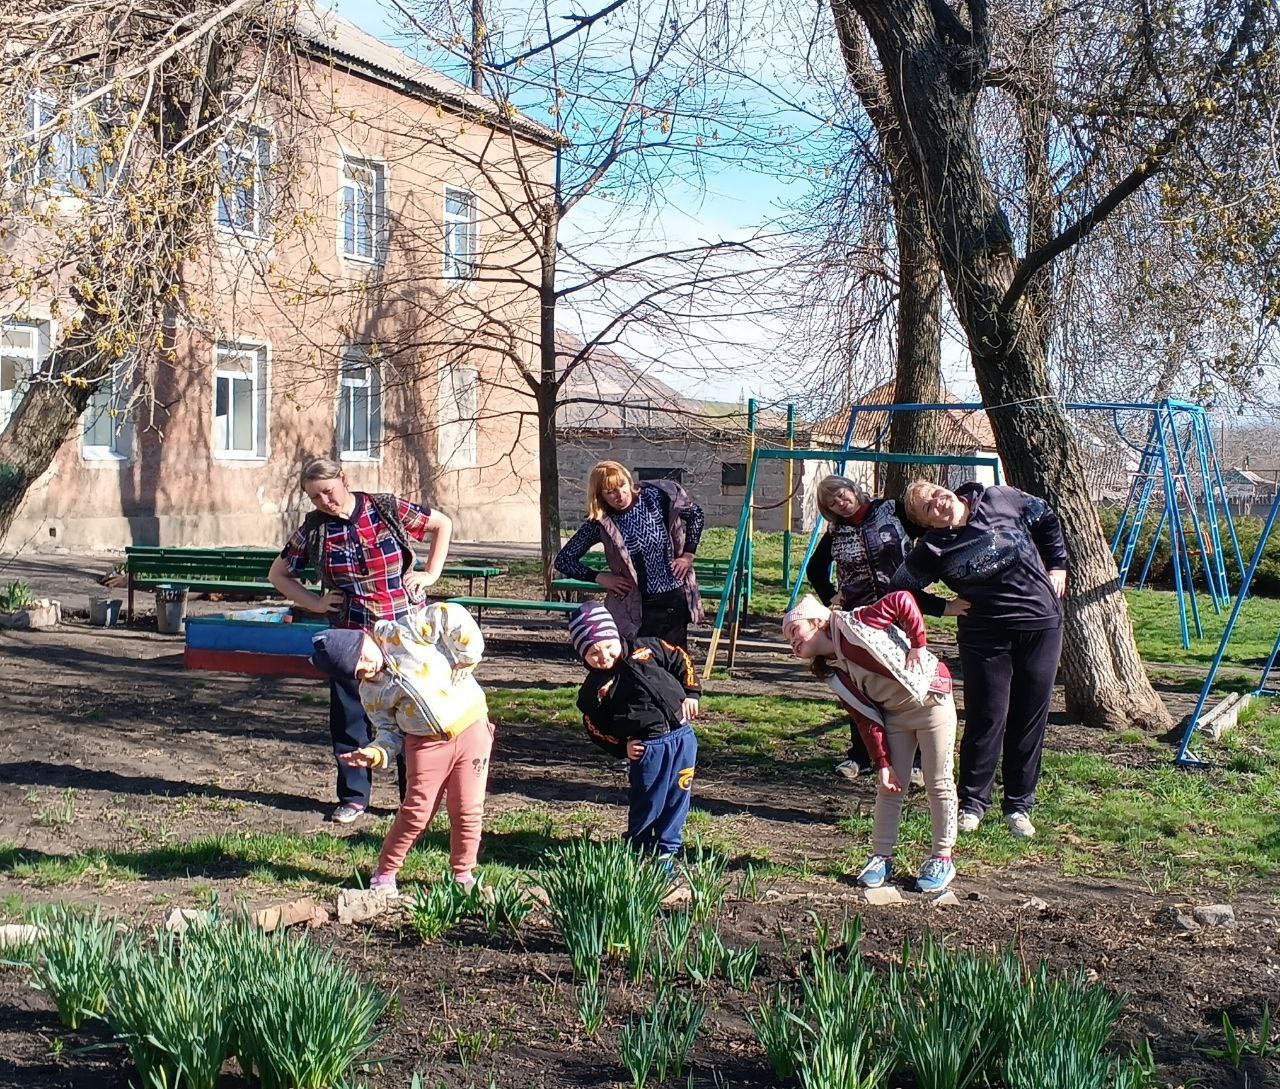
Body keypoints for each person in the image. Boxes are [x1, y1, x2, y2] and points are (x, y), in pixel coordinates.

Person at [269, 457, 453, 824]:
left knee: (413, 713)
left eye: (328, 491)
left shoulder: (384, 508)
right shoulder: (314, 529)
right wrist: (317, 603)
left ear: (343, 479)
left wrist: (430, 573)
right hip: (352, 633)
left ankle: (412, 800)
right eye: (315, 497)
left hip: (404, 630)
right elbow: (279, 574)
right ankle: (354, 798)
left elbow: (440, 524)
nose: (324, 501)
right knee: (350, 716)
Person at [893, 480, 1068, 840]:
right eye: (927, 507)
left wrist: (1058, 565)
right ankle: (972, 804)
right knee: (986, 717)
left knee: (1029, 717)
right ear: (927, 523)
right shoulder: (932, 549)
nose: (938, 501)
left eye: (935, 492)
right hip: (985, 637)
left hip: (1040, 623)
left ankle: (1018, 806)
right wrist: (943, 607)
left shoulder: (999, 498)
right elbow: (899, 587)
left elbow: (1046, 516)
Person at [310, 601, 492, 898]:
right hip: (425, 745)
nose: (368, 668)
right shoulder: (371, 690)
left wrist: (468, 655)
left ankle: (463, 874)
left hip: (472, 728)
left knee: (468, 808)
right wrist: (377, 752)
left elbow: (448, 614)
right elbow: (389, 732)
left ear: (364, 639)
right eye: (358, 672)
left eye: (364, 658)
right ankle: (384, 875)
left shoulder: (404, 632)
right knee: (416, 811)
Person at [783, 592, 959, 893]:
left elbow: (902, 599)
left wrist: (918, 644)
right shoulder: (831, 671)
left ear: (816, 621)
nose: (792, 642)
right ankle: (881, 857)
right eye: (788, 640)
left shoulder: (857, 623)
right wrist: (881, 762)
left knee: (938, 781)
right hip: (896, 718)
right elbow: (864, 717)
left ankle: (942, 857)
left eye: (793, 631)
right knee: (890, 785)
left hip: (932, 702)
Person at [804, 475, 961, 781]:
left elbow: (931, 533)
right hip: (858, 620)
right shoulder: (836, 533)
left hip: (900, 614)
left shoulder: (893, 511)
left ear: (853, 489)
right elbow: (815, 567)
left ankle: (916, 761)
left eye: (841, 493)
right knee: (862, 685)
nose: (839, 502)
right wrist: (830, 594)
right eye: (831, 502)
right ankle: (861, 756)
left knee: (909, 683)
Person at [570, 601, 701, 868]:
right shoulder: (594, 690)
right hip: (648, 747)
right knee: (648, 799)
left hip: (682, 737)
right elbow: (594, 725)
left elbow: (681, 658)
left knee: (679, 794)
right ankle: (639, 848)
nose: (604, 657)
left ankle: (668, 848)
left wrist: (691, 692)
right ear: (582, 656)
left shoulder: (648, 648)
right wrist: (622, 746)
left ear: (616, 635)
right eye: (593, 653)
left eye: (608, 646)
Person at [555, 461, 705, 649]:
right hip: (636, 606)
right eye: (610, 492)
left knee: (676, 661)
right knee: (641, 664)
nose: (620, 495)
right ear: (600, 495)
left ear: (629, 481)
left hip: (673, 596)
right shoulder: (602, 522)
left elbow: (696, 514)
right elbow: (563, 560)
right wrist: (601, 578)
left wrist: (688, 554)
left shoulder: (656, 497)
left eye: (622, 486)